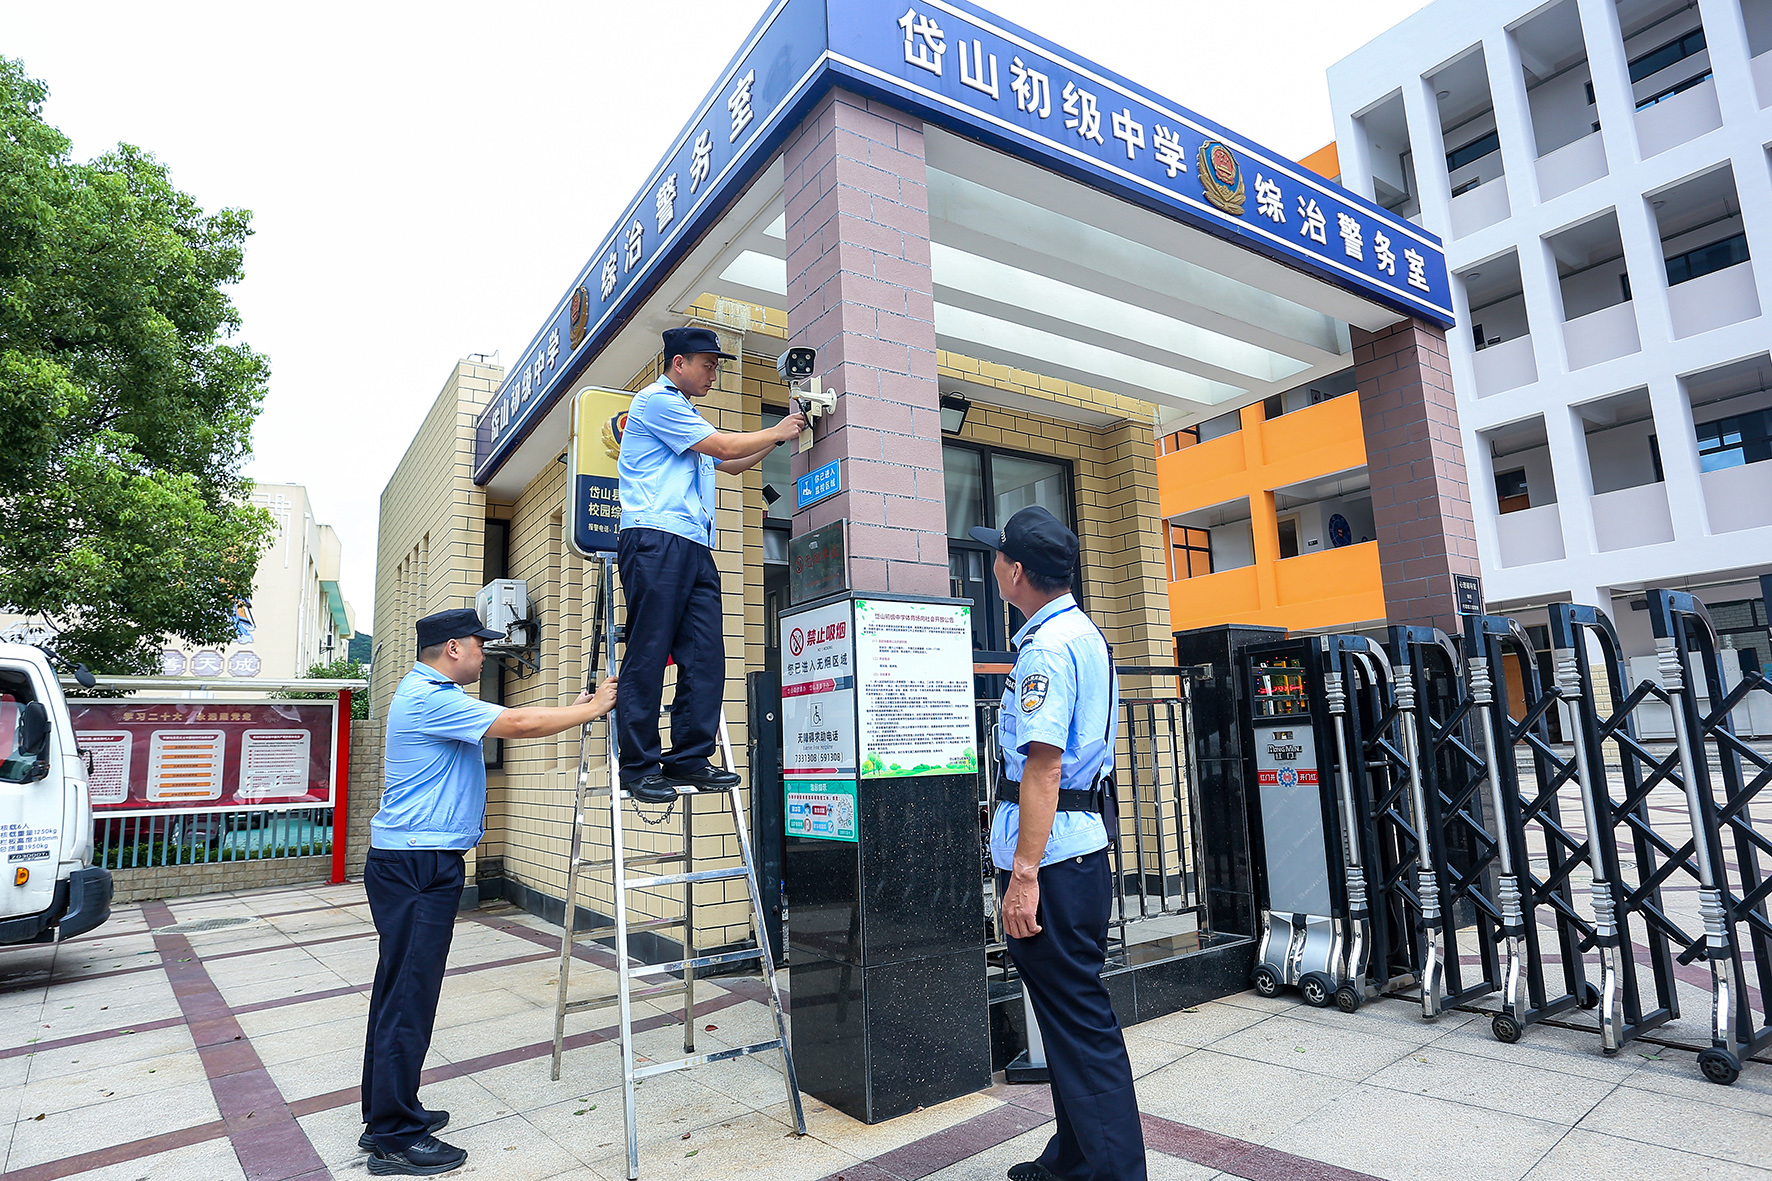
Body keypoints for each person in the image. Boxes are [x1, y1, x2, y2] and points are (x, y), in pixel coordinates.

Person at [361, 607, 617, 1176]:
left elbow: (516, 720)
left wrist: (577, 707)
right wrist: (592, 709)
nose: (486, 654)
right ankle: (394, 1137)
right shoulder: (430, 697)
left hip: (415, 860)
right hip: (416, 865)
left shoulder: (431, 694)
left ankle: (389, 1113)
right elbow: (518, 723)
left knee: (399, 992)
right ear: (454, 648)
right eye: (480, 644)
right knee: (408, 996)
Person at [969, 507, 1147, 1181]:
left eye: (996, 557)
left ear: (1016, 571)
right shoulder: (1082, 633)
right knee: (1069, 1020)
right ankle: (1074, 1158)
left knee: (1079, 1022)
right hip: (1076, 851)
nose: (993, 566)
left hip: (1053, 862)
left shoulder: (1046, 649)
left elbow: (1043, 768)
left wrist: (1024, 875)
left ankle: (1114, 1172)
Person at [615, 325, 804, 803]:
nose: (713, 374)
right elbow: (722, 448)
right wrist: (777, 428)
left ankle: (689, 757)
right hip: (654, 537)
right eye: (708, 365)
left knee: (705, 655)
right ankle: (638, 767)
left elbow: (733, 464)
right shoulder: (656, 402)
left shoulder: (688, 417)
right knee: (649, 653)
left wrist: (780, 436)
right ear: (678, 363)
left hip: (695, 546)